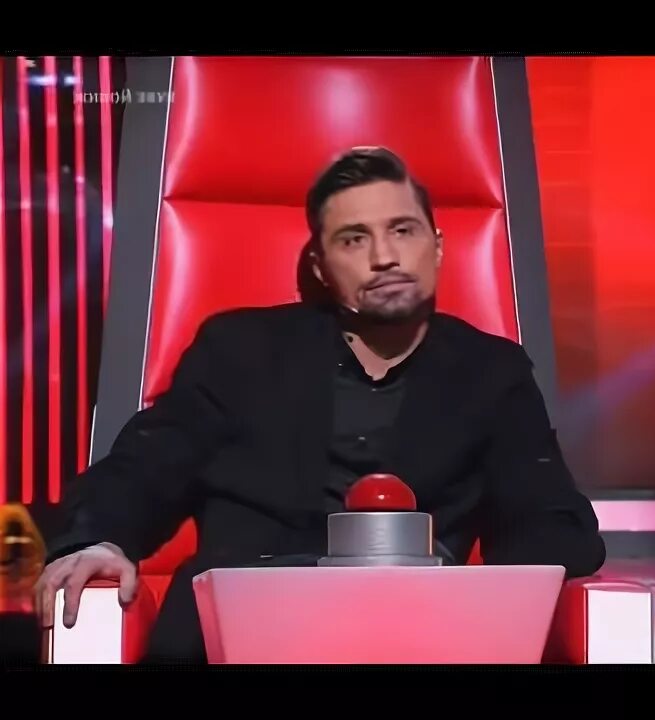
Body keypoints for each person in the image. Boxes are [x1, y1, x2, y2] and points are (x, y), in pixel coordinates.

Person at [35, 147, 606, 662]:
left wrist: (489, 605)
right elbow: (148, 465)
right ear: (321, 268)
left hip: (419, 641)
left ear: (436, 247)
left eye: (403, 230)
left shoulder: (492, 373)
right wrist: (97, 539)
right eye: (354, 239)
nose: (384, 256)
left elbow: (546, 522)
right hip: (240, 641)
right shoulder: (240, 352)